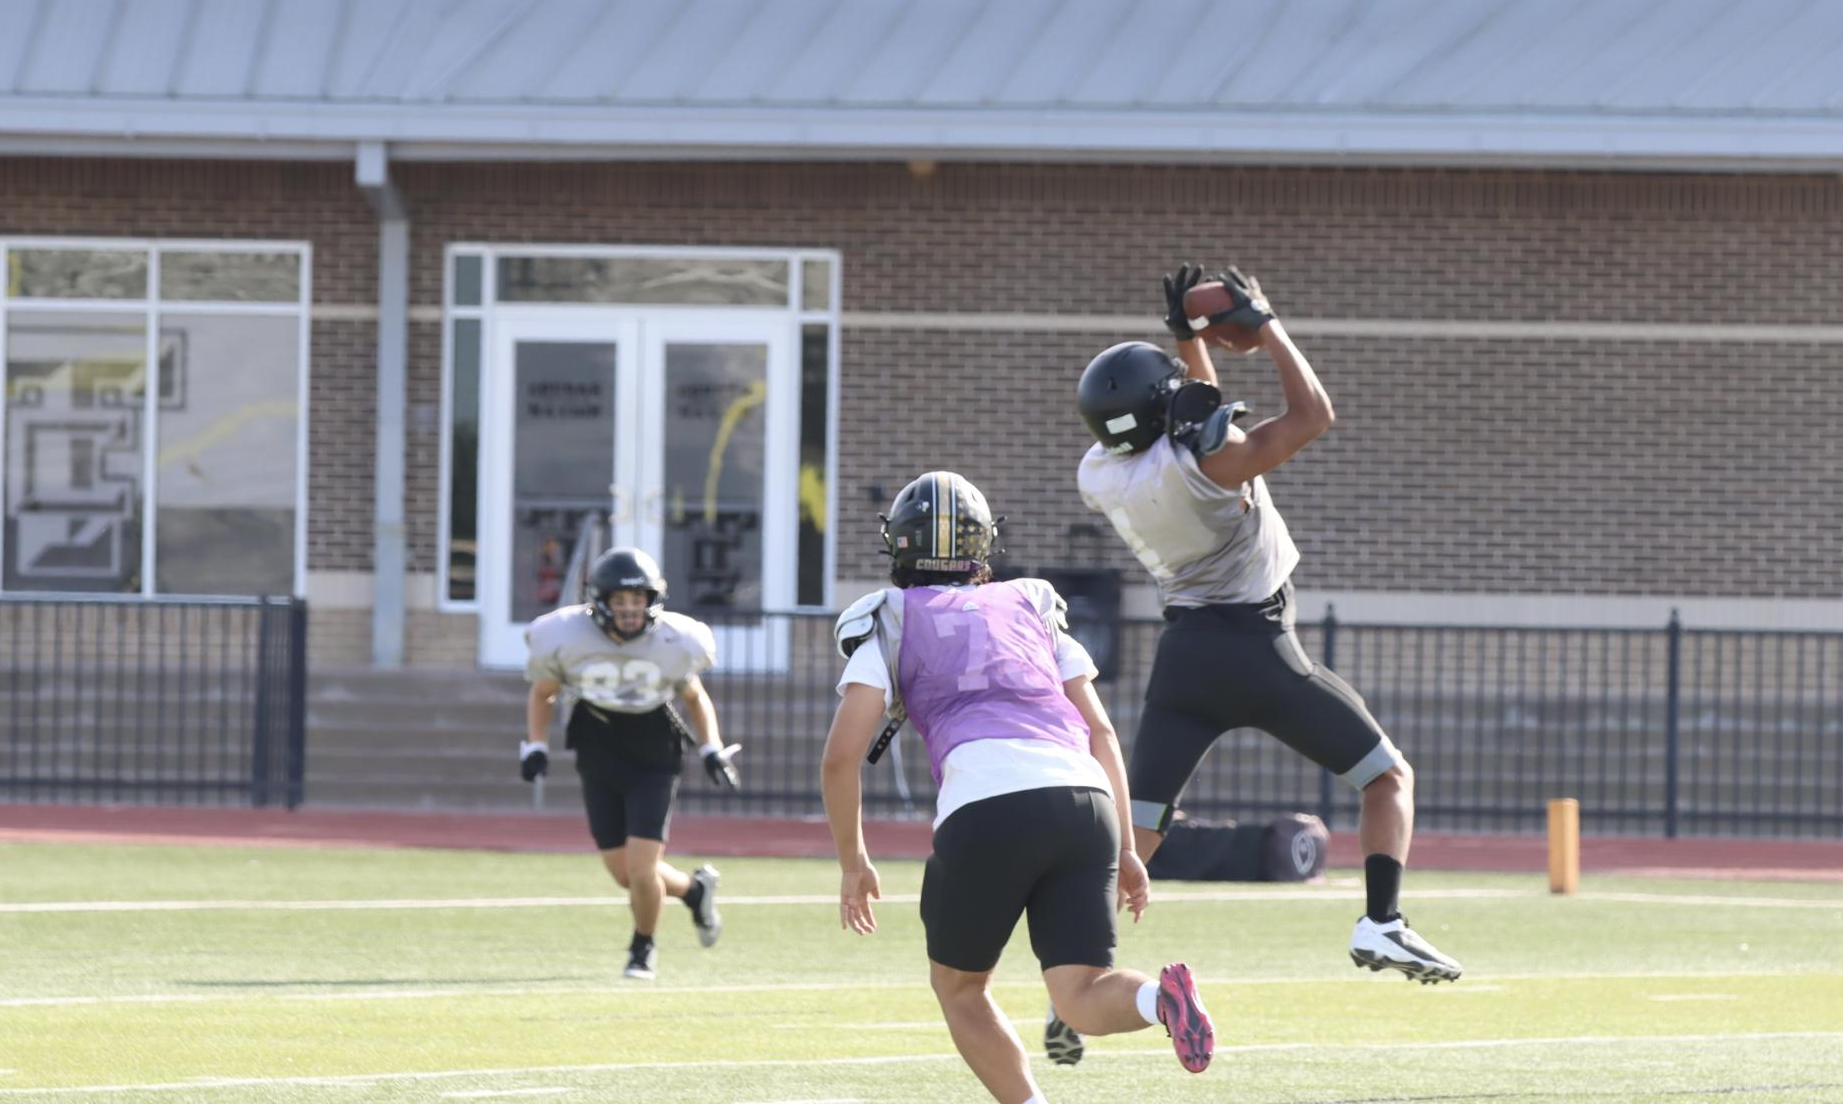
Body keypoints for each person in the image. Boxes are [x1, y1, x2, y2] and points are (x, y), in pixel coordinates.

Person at [1074, 264, 1463, 1007]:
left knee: (1141, 829)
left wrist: (1186, 340)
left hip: (1184, 658)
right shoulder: (1212, 467)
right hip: (1257, 647)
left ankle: (1083, 969)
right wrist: (1269, 325)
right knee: (1386, 778)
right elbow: (1311, 415)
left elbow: (1183, 420)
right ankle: (1381, 920)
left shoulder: (1098, 471)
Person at [820, 470, 1215, 1103]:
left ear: (898, 544)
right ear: (984, 546)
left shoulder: (890, 616)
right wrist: (1125, 848)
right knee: (1082, 994)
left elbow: (841, 758)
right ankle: (1157, 998)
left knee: (960, 988)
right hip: (1086, 800)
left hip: (988, 802)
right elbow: (1103, 733)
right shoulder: (1029, 604)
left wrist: (852, 861)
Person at [521, 545, 742, 980]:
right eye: (619, 601)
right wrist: (535, 745)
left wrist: (711, 746)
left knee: (642, 868)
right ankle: (694, 891)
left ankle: (642, 949)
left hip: (653, 749)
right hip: (597, 744)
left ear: (653, 600)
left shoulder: (675, 640)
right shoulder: (566, 635)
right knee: (627, 875)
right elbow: (543, 692)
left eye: (637, 600)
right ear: (598, 602)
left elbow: (693, 696)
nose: (629, 611)